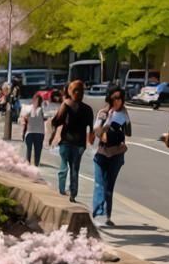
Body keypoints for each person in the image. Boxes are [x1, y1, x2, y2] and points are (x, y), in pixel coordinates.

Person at [49, 79, 94, 202]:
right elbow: (91, 128)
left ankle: (62, 189)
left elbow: (57, 121)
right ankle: (73, 193)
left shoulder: (66, 104)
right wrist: (91, 140)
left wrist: (52, 135)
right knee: (75, 168)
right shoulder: (87, 109)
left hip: (66, 141)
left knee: (64, 165)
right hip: (79, 143)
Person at [91, 87, 131, 226]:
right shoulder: (103, 112)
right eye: (114, 98)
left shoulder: (124, 114)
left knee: (109, 186)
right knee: (99, 183)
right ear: (109, 98)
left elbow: (129, 132)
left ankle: (107, 216)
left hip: (117, 154)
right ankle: (97, 212)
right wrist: (107, 123)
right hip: (102, 153)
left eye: (119, 98)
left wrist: (126, 117)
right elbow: (97, 130)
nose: (117, 101)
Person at [21, 92, 46, 165]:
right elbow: (24, 119)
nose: (36, 102)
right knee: (29, 151)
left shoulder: (40, 109)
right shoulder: (28, 108)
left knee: (37, 152)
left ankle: (35, 167)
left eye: (38, 101)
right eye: (35, 100)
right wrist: (23, 131)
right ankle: (28, 166)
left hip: (39, 133)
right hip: (30, 132)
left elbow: (39, 116)